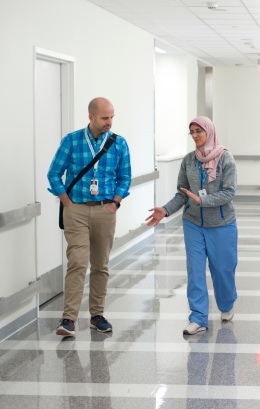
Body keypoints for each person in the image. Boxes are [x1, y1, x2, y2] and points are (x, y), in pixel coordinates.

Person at [146, 116, 238, 335]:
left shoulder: (226, 159)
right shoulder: (188, 161)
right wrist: (166, 210)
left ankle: (226, 304)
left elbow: (229, 192)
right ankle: (198, 317)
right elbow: (183, 193)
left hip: (222, 224)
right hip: (193, 223)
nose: (195, 135)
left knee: (222, 269)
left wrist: (202, 200)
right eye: (192, 132)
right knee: (195, 270)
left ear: (209, 132)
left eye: (199, 131)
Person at [47, 97, 132, 336]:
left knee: (101, 265)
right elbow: (54, 174)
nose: (109, 122)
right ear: (91, 117)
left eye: (112, 117)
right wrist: (66, 202)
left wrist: (116, 203)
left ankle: (97, 315)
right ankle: (68, 319)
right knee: (77, 262)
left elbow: (124, 177)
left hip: (105, 210)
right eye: (105, 117)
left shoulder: (119, 143)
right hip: (77, 210)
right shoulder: (72, 141)